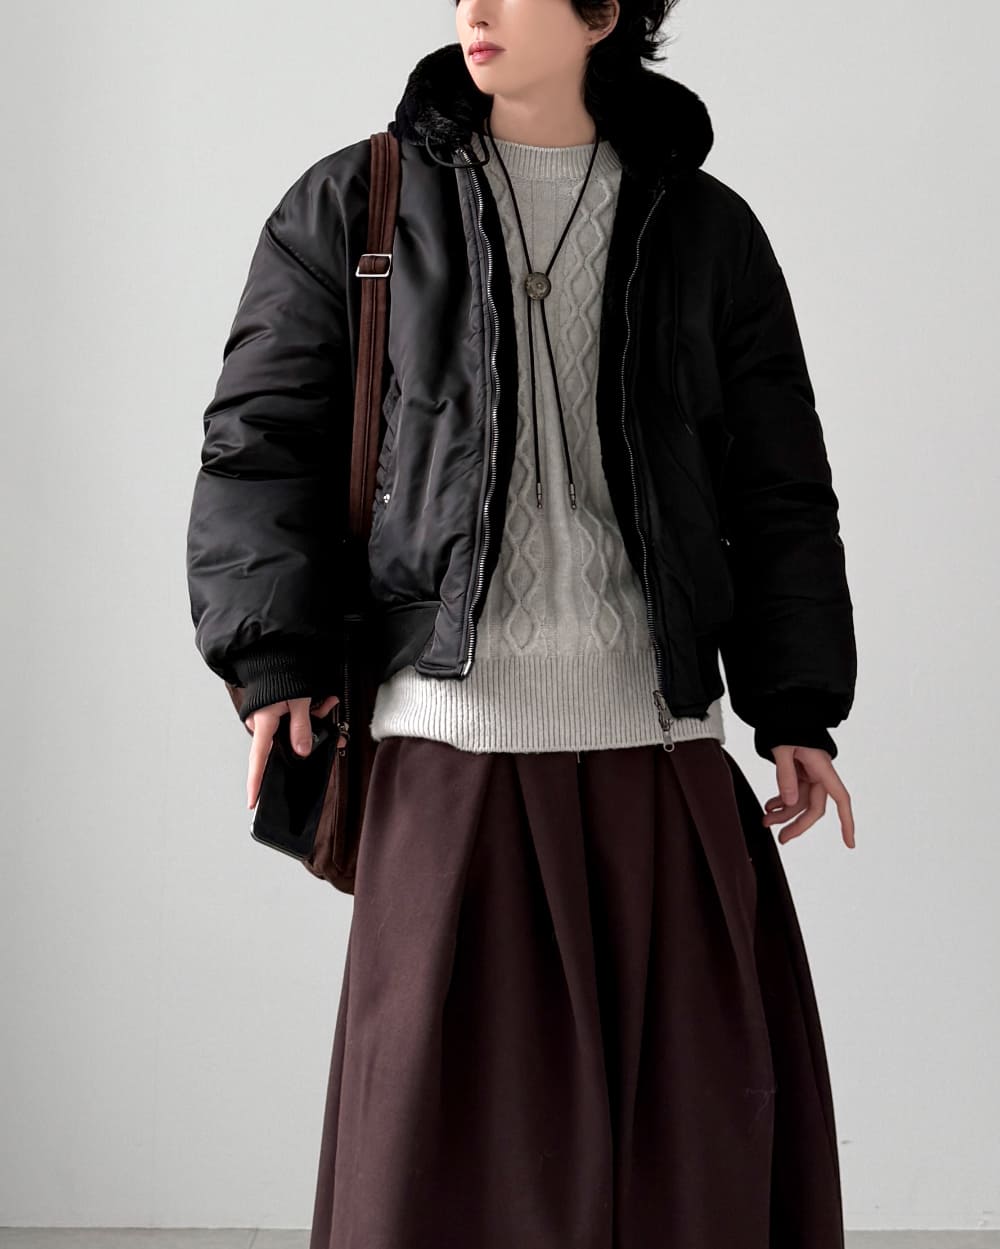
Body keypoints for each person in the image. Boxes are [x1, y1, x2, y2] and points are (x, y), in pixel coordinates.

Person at [186, 1, 858, 1245]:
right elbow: (260, 440)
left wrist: (796, 705)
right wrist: (272, 656)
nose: (475, 11)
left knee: (690, 1161)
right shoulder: (357, 207)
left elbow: (775, 484)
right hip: (451, 748)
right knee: (437, 1171)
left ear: (603, 13)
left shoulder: (705, 226)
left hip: (659, 747)